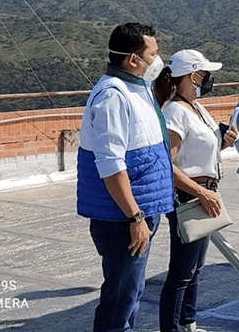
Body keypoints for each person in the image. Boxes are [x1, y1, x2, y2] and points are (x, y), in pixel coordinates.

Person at [77, 23, 174, 332]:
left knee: (131, 294)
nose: (158, 60)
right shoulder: (112, 97)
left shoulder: (138, 87)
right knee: (120, 298)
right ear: (134, 59)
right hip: (124, 219)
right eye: (153, 54)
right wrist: (136, 216)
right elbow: (110, 164)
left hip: (142, 210)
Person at [154, 50, 238, 332]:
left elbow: (200, 151)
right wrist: (201, 193)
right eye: (204, 74)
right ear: (193, 75)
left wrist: (224, 142)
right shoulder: (176, 111)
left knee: (195, 269)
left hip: (206, 193)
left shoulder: (196, 107)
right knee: (181, 272)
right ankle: (172, 328)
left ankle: (187, 322)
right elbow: (168, 163)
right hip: (191, 195)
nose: (208, 79)